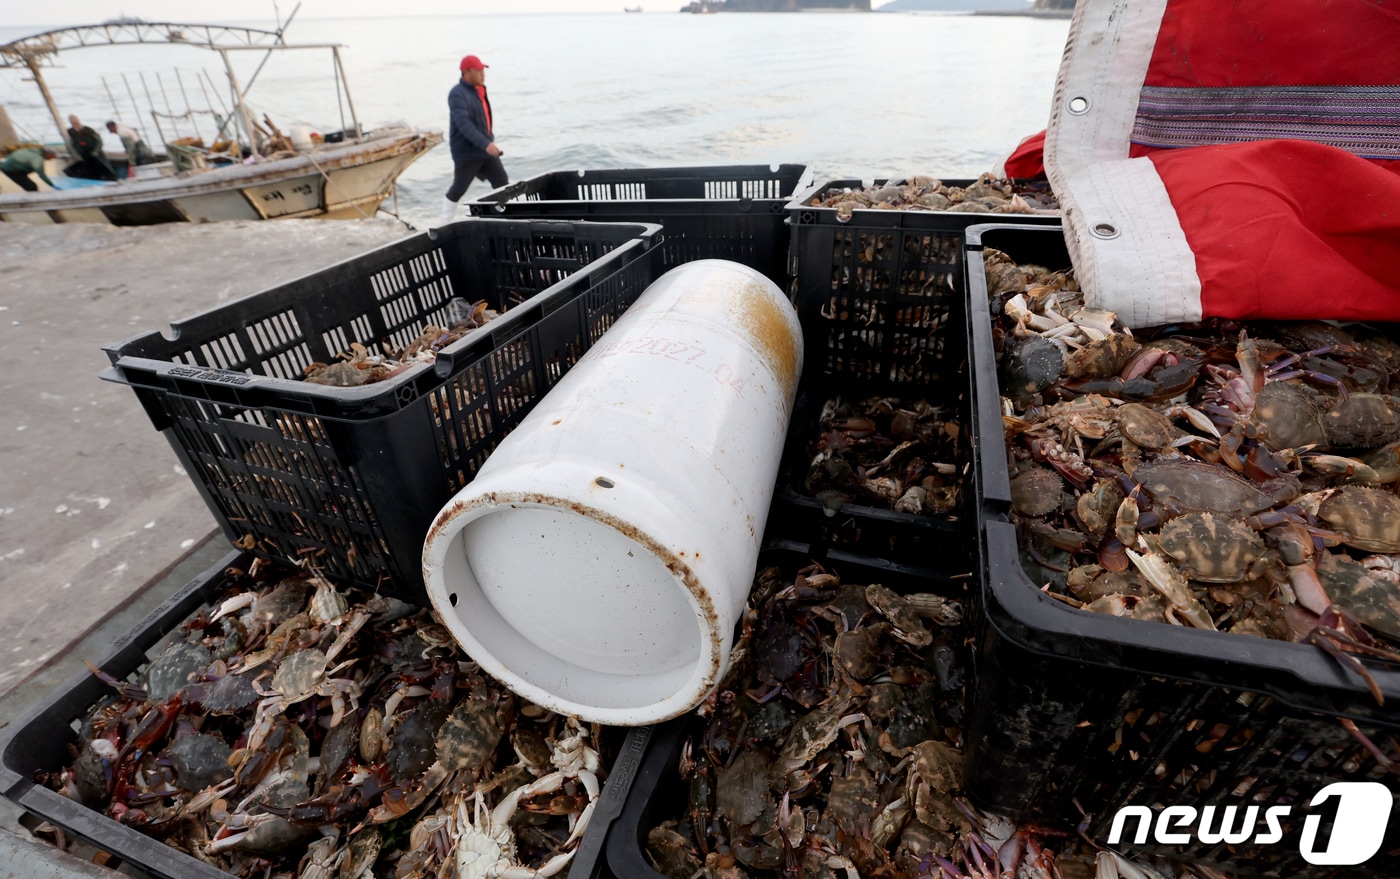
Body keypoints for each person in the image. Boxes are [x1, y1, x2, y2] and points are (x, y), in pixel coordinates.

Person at [441, 54, 507, 225]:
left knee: (502, 182)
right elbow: (464, 124)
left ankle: (505, 219)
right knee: (458, 189)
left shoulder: (479, 90)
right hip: (468, 153)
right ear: (467, 72)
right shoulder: (457, 94)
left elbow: (483, 119)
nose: (482, 74)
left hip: (484, 150)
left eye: (483, 70)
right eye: (478, 70)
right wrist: (486, 144)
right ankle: (443, 224)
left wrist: (489, 141)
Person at [65, 114, 117, 180]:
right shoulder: (70, 132)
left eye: (76, 122)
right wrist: (78, 154)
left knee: (104, 167)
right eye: (73, 123)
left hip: (96, 154)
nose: (75, 124)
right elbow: (73, 144)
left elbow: (99, 141)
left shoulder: (88, 130)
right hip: (84, 155)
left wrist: (96, 151)